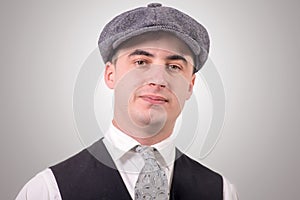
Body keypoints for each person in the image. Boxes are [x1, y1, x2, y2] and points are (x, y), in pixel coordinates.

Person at [16, 3, 238, 200]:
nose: (158, 79)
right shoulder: (48, 191)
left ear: (190, 85)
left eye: (174, 66)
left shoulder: (221, 192)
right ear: (110, 75)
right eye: (141, 62)